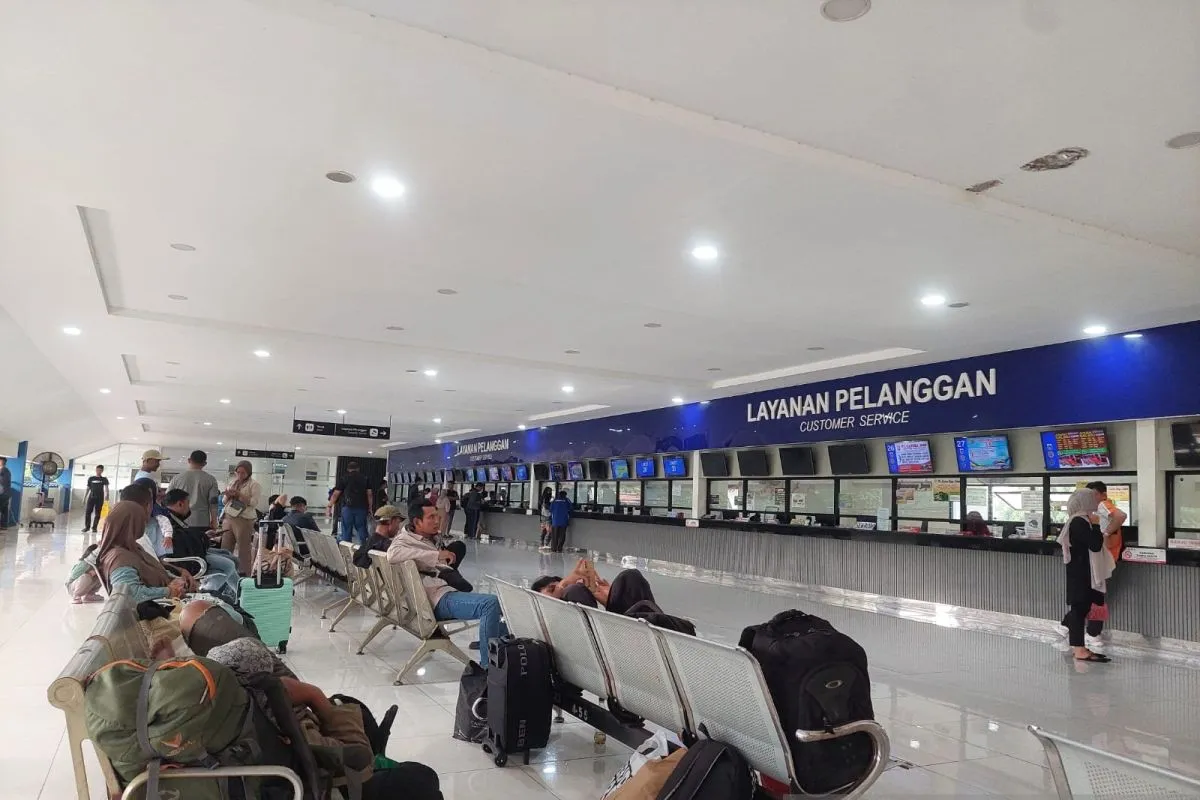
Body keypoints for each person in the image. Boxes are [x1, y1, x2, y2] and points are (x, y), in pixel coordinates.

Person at [387, 501, 506, 658]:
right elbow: (392, 554)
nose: (437, 520)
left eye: (437, 516)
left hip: (435, 593)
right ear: (417, 521)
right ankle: (488, 666)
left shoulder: (424, 538)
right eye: (431, 517)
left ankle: (494, 639)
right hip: (434, 599)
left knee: (503, 604)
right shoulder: (404, 540)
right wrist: (436, 555)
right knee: (490, 604)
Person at [94, 500, 196, 601]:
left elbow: (154, 567)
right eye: (142, 520)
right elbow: (130, 595)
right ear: (133, 524)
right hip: (156, 606)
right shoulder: (120, 558)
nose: (145, 524)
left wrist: (176, 580)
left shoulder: (132, 547)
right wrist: (168, 591)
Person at [1062, 488, 1113, 663]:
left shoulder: (1080, 520)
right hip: (1082, 574)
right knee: (1079, 610)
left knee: (1081, 608)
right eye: (1092, 498)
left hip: (1081, 572)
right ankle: (1079, 649)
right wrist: (1097, 525)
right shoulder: (1079, 521)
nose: (1096, 501)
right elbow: (1095, 545)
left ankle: (1079, 646)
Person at [163, 488, 240, 598]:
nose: (189, 508)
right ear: (180, 504)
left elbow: (186, 537)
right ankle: (207, 591)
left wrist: (203, 536)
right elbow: (183, 541)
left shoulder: (172, 518)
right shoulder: (168, 522)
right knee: (228, 565)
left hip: (189, 551)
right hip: (185, 558)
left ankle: (237, 592)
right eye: (188, 504)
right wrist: (203, 538)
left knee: (228, 555)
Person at [221, 460, 262, 575]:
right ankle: (225, 572)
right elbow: (224, 502)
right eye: (238, 472)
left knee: (243, 549)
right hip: (229, 517)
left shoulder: (254, 484)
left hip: (244, 519)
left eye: (243, 473)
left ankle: (244, 574)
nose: (240, 475)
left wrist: (239, 494)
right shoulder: (232, 483)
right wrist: (228, 495)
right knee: (225, 547)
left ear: (249, 473)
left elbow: (253, 502)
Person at [168, 450, 220, 539]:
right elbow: (213, 502)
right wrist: (214, 520)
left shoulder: (177, 478)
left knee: (182, 545)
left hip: (180, 520)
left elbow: (168, 499)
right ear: (205, 463)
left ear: (189, 460)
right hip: (201, 520)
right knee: (201, 545)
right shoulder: (211, 479)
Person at [329, 462, 373, 545]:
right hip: (361, 508)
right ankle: (363, 548)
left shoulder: (344, 478)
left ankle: (346, 548)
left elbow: (335, 494)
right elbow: (369, 494)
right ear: (358, 469)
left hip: (347, 508)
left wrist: (329, 506)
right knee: (361, 528)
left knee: (346, 529)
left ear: (348, 469)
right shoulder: (365, 478)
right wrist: (370, 508)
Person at [83, 465, 110, 533]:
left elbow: (106, 488)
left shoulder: (104, 479)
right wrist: (84, 498)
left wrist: (107, 495)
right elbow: (88, 488)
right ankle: (87, 527)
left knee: (98, 513)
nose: (98, 471)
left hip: (100, 498)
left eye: (100, 470)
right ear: (96, 470)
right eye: (97, 470)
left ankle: (94, 528)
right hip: (91, 497)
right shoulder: (91, 478)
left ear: (102, 471)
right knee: (88, 512)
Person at [0, 456, 11, 530]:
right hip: (6, 493)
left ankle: (3, 525)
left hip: (3, 493)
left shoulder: (3, 470)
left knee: (3, 509)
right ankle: (4, 525)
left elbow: (2, 482)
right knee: (4, 510)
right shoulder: (6, 470)